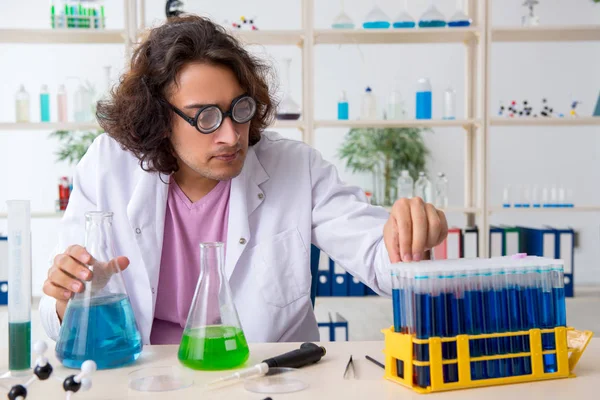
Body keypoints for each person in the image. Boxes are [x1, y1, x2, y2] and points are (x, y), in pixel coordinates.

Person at [40, 15, 448, 345]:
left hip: (264, 377)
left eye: (240, 108)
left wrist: (411, 238)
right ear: (160, 118)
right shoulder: (108, 165)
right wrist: (66, 298)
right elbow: (57, 318)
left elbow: (382, 265)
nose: (231, 135)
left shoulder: (296, 168)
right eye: (205, 117)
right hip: (146, 375)